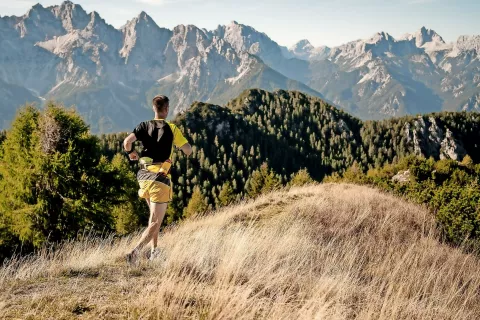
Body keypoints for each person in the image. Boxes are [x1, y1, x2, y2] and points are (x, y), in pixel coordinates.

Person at [123, 95, 192, 263]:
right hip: (159, 178)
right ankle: (134, 253)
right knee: (155, 222)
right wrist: (180, 145)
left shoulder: (143, 126)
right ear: (166, 109)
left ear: (154, 108)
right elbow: (188, 150)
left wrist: (131, 153)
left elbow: (127, 142)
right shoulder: (172, 128)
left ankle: (154, 252)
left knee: (153, 218)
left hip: (143, 176)